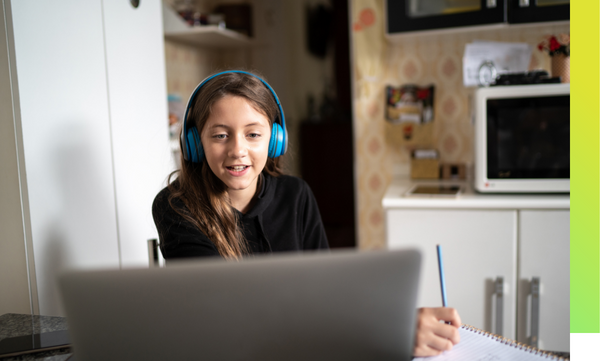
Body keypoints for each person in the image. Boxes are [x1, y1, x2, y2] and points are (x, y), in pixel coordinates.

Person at [152, 70, 461, 357]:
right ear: (194, 143)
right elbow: (227, 316)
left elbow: (322, 297)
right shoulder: (176, 207)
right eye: (220, 135)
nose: (237, 150)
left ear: (275, 140)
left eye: (253, 134)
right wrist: (388, 328)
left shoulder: (296, 195)